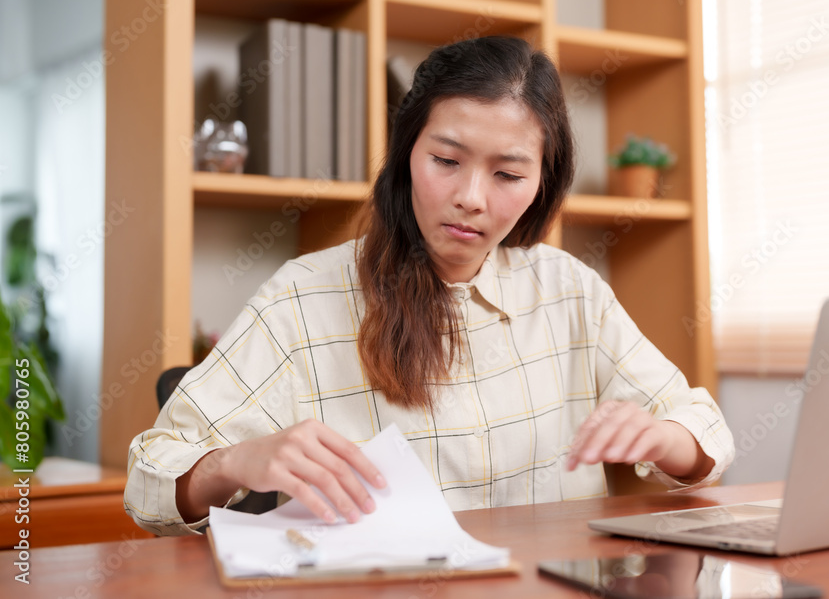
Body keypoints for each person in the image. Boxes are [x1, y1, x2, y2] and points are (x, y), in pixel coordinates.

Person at [125, 36, 734, 536]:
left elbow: (703, 430)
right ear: (406, 152)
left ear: (541, 184)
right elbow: (148, 479)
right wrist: (233, 462)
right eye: (446, 161)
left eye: (507, 174)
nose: (471, 198)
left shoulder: (570, 292)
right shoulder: (304, 298)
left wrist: (665, 438)